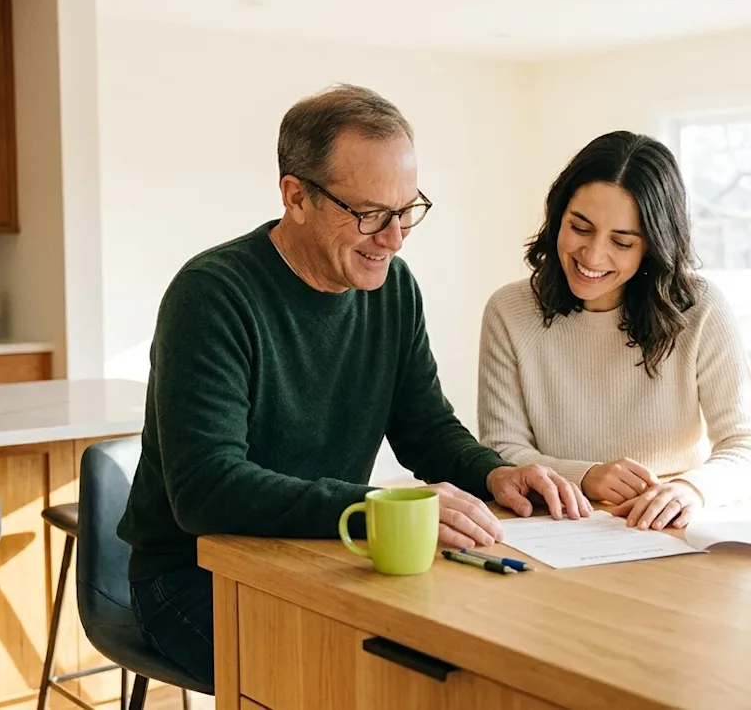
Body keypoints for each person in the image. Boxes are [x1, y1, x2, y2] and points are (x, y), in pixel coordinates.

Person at [115, 84, 590, 690]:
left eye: (407, 210)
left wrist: (493, 473)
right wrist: (372, 508)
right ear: (296, 197)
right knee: (350, 684)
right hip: (194, 575)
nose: (393, 238)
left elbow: (425, 428)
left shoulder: (392, 287)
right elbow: (205, 489)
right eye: (369, 214)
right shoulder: (213, 295)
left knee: (462, 668)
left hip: (324, 555)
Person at [477, 130, 751, 533]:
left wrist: (692, 489)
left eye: (622, 241)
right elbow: (500, 450)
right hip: (557, 525)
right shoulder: (510, 310)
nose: (593, 255)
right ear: (557, 217)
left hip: (667, 527)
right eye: (580, 228)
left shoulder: (699, 308)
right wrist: (584, 475)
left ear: (652, 246)